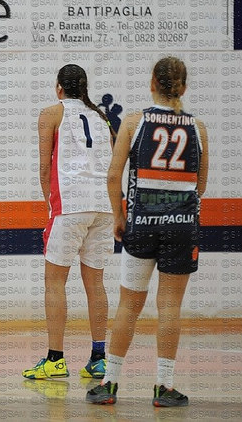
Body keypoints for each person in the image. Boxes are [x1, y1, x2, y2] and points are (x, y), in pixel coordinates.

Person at [86, 57, 209, 407]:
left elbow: (113, 176)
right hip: (182, 227)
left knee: (129, 305)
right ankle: (164, 387)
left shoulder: (133, 122)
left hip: (141, 223)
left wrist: (119, 217)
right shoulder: (198, 128)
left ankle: (109, 383)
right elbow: (200, 185)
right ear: (183, 87)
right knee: (169, 307)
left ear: (152, 82)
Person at [23, 64, 116, 381]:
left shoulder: (51, 113)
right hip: (103, 205)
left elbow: (44, 167)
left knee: (55, 281)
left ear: (58, 88)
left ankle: (55, 359)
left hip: (71, 204)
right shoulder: (102, 118)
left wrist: (49, 206)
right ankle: (99, 357)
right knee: (96, 284)